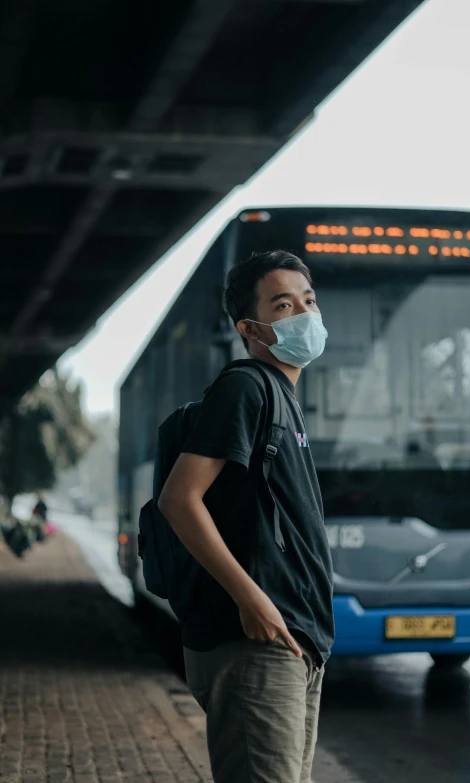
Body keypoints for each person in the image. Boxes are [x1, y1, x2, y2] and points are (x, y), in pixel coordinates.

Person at [158, 251, 334, 783]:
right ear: (250, 327)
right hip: (256, 645)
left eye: (309, 301)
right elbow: (179, 498)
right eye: (284, 305)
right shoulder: (248, 386)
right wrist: (252, 599)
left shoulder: (285, 400)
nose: (304, 314)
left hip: (293, 643)